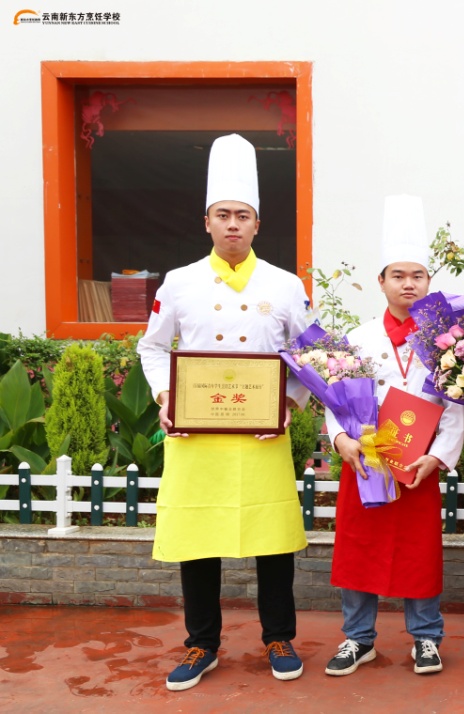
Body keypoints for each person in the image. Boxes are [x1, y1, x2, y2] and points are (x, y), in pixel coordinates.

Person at [138, 133, 312, 691]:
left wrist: (288, 403)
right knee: (199, 539)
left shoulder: (286, 286)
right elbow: (152, 348)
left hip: (262, 434)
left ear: (257, 224)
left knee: (271, 539)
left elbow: (311, 356)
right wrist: (167, 397)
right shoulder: (180, 283)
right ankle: (201, 643)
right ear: (207, 222)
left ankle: (278, 637)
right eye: (223, 215)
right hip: (197, 434)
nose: (233, 225)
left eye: (242, 215)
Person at [322, 195, 464, 678]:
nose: (408, 283)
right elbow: (334, 401)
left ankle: (426, 638)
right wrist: (341, 442)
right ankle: (358, 639)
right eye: (398, 275)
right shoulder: (358, 338)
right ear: (381, 281)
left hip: (417, 467)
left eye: (417, 275)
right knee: (358, 549)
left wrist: (439, 457)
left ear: (428, 282)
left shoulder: (447, 341)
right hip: (366, 463)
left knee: (419, 553)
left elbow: (454, 407)